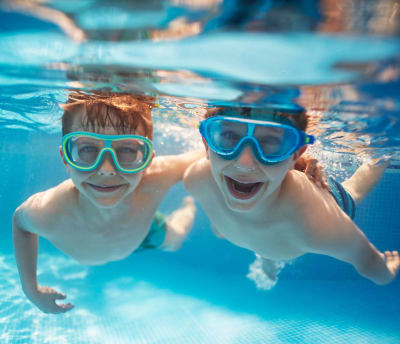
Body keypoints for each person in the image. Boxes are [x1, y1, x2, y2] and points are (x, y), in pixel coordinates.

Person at [13, 92, 202, 314]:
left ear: (147, 161)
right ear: (66, 157)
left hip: (145, 229)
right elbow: (20, 223)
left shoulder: (157, 176)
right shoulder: (49, 210)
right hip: (133, 230)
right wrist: (31, 289)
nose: (106, 170)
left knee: (176, 239)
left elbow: (209, 155)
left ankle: (189, 206)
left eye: (127, 151)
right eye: (87, 150)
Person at [183, 106, 400, 289]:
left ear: (295, 155)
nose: (245, 163)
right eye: (229, 137)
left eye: (270, 142)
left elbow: (367, 261)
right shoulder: (197, 180)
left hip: (326, 202)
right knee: (260, 242)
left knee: (355, 190)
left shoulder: (314, 221)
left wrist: (386, 272)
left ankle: (382, 154)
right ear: (206, 144)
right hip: (269, 238)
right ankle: (267, 256)